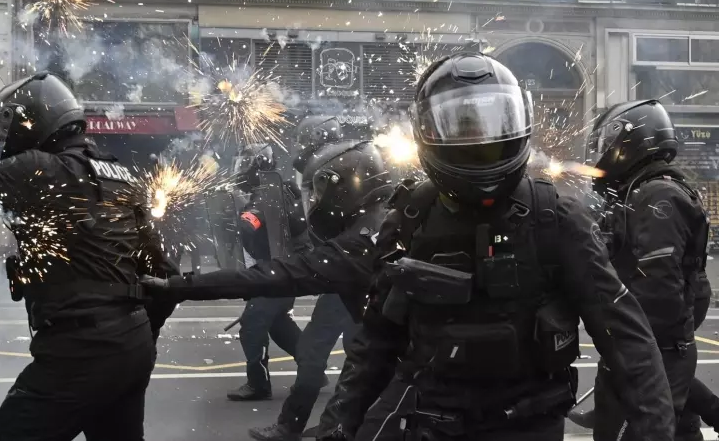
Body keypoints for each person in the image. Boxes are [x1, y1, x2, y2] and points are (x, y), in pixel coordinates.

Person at [305, 53, 674, 440]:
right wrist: (338, 422)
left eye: (490, 127)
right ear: (427, 131)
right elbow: (377, 338)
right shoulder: (412, 215)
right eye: (463, 130)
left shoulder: (555, 216)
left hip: (529, 425)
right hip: (435, 423)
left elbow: (628, 340)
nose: (480, 141)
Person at [0, 72, 178, 440]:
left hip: (78, 352)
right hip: (130, 347)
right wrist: (134, 334)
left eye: (9, 126)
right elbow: (166, 274)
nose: (6, 139)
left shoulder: (39, 168)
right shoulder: (120, 175)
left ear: (31, 120)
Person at [142, 138, 393, 441]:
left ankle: (302, 416)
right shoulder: (403, 217)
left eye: (320, 191)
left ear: (342, 190)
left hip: (405, 363)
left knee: (340, 376)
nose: (314, 200)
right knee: (340, 370)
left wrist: (178, 286)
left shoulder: (353, 248)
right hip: (397, 348)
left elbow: (267, 273)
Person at [567, 99, 712, 441]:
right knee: (676, 426)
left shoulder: (657, 195)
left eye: (607, 142)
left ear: (629, 141)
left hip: (653, 346)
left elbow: (657, 288)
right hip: (650, 346)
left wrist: (626, 340)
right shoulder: (641, 191)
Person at [226, 144, 313, 402]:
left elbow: (250, 225)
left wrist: (239, 216)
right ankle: (314, 371)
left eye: (246, 164)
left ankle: (258, 385)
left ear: (258, 166)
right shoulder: (284, 188)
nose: (241, 170)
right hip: (289, 269)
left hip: (277, 271)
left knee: (251, 325)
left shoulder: (265, 196)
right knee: (278, 323)